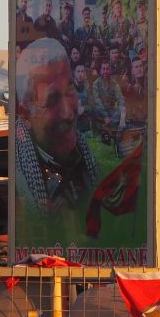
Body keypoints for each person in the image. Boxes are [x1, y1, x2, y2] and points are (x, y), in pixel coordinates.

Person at [14, 38, 99, 213]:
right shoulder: (18, 182)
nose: (68, 113)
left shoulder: (85, 161)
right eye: (52, 100)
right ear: (25, 114)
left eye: (70, 90)